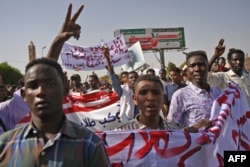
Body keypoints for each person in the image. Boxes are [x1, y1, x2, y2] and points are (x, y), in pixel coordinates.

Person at [0, 58, 110, 166]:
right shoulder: (4, 145)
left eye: (50, 84)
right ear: (24, 95)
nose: (41, 92)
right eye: (33, 86)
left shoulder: (90, 145)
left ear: (65, 89)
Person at [115, 75, 212, 132]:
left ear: (163, 98)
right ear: (135, 99)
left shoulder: (174, 129)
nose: (150, 98)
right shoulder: (121, 133)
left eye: (156, 93)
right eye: (143, 93)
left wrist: (193, 130)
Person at [167, 50, 221, 129]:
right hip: (194, 141)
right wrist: (194, 128)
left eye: (201, 65)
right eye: (192, 66)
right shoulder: (180, 95)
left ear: (207, 67)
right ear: (188, 70)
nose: (197, 69)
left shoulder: (217, 92)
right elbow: (170, 129)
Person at [208, 39, 250, 108]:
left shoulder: (247, 77)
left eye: (241, 59)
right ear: (229, 62)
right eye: (235, 60)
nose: (238, 62)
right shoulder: (223, 77)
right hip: (233, 117)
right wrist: (215, 56)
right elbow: (206, 77)